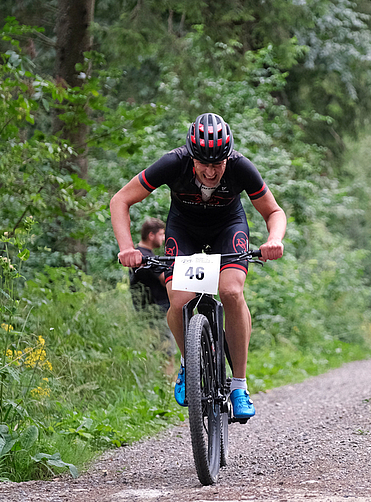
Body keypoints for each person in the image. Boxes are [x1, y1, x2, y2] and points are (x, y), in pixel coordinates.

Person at [110, 113, 286, 419]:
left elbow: (274, 211)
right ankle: (188, 363)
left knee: (231, 291)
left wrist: (274, 239)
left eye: (218, 163)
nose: (210, 170)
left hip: (227, 229)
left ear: (228, 158)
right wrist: (127, 248)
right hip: (184, 231)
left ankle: (239, 385)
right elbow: (120, 200)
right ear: (191, 157)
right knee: (180, 301)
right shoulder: (173, 163)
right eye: (204, 162)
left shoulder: (241, 167)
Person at [128, 217, 174, 356]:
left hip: (149, 311)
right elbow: (165, 280)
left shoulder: (139, 254)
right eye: (161, 234)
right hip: (157, 311)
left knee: (159, 350)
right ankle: (169, 378)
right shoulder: (144, 257)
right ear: (151, 235)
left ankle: (164, 377)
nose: (164, 237)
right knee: (167, 352)